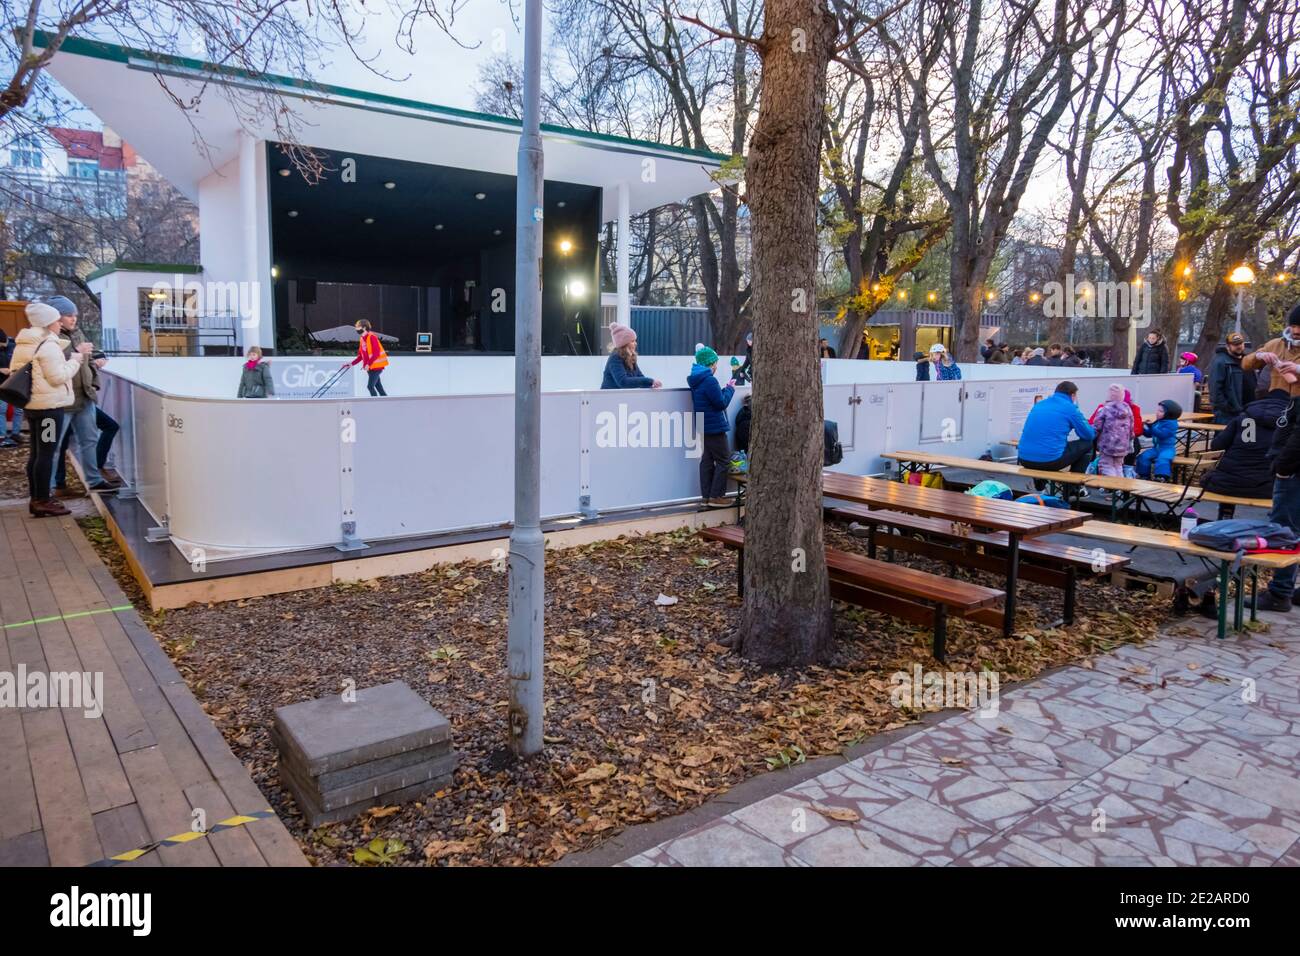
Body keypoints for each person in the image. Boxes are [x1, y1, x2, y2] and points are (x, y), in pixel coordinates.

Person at [9, 301, 92, 517]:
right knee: (46, 454)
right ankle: (42, 500)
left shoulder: (25, 342)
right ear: (48, 323)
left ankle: (37, 497)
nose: (59, 323)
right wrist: (75, 360)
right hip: (48, 409)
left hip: (32, 407)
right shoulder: (48, 345)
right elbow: (58, 377)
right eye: (57, 319)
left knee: (37, 453)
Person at [47, 296, 117, 496]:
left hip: (83, 397)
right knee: (52, 446)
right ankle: (48, 489)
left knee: (89, 439)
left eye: (75, 315)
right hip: (59, 402)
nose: (73, 319)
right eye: (69, 315)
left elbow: (82, 363)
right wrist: (77, 353)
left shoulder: (75, 334)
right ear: (56, 317)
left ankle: (94, 480)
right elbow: (51, 364)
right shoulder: (48, 338)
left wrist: (94, 362)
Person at [1200, 388, 1289, 517]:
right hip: (1266, 487)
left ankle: (1226, 514)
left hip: (1225, 483)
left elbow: (1216, 445)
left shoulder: (1241, 418)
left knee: (1215, 476)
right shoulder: (1288, 425)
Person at [687, 346, 735, 507]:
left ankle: (705, 496)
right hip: (714, 426)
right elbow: (721, 403)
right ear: (710, 363)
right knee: (724, 460)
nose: (716, 366)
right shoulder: (709, 380)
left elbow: (709, 398)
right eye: (715, 363)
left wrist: (722, 390)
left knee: (707, 460)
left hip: (703, 424)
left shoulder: (697, 379)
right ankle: (716, 496)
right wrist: (730, 389)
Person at [1017, 381, 1096, 478]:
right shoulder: (1070, 408)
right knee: (1088, 444)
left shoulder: (1039, 405)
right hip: (1049, 461)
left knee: (1047, 447)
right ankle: (1073, 486)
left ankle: (1040, 484)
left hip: (1024, 459)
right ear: (1072, 395)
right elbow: (1088, 435)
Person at [1243, 305, 1300, 398]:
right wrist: (1260, 356)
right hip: (1278, 406)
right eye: (1293, 326)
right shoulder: (1275, 344)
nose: (1296, 331)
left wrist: (1297, 369)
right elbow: (1245, 364)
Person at [600, 323, 661, 389]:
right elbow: (623, 382)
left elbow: (639, 376)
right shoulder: (615, 358)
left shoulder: (631, 357)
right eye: (632, 341)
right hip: (608, 397)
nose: (636, 343)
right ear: (624, 344)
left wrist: (651, 385)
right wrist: (650, 381)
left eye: (635, 341)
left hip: (623, 397)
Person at [1091, 384, 1134, 476]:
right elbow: (1131, 427)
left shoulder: (1105, 409)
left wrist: (1092, 431)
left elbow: (1097, 426)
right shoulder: (1128, 409)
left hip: (1107, 445)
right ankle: (1119, 487)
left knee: (1106, 465)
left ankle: (1111, 487)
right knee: (1118, 466)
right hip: (1123, 445)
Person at [1135, 399, 1182, 480]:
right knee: (1143, 456)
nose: (1157, 412)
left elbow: (1162, 435)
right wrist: (1142, 428)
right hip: (1156, 448)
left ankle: (1161, 477)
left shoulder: (1171, 424)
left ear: (1169, 414)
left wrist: (1151, 427)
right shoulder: (1159, 422)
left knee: (1162, 459)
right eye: (1157, 410)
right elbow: (1150, 434)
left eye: (1161, 411)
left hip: (1167, 449)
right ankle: (1143, 475)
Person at [1207, 332, 1249, 423]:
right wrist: (1228, 407)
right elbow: (1215, 389)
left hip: (1247, 411)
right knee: (1225, 437)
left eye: (1241, 343)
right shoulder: (1220, 362)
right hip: (1228, 415)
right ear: (1228, 346)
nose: (1239, 346)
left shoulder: (1247, 360)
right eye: (1235, 344)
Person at [343, 319, 389, 396]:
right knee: (378, 387)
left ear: (364, 328)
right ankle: (386, 402)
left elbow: (376, 353)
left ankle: (374, 403)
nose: (356, 329)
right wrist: (351, 364)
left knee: (370, 386)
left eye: (358, 327)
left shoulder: (372, 337)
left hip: (376, 367)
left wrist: (368, 364)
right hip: (370, 368)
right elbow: (360, 356)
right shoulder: (362, 338)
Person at [0, 328, 23, 447]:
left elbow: (24, 361)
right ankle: (2, 436)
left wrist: (14, 369)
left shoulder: (15, 346)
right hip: (1, 385)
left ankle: (16, 434)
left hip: (16, 383)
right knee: (1, 410)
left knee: (18, 410)